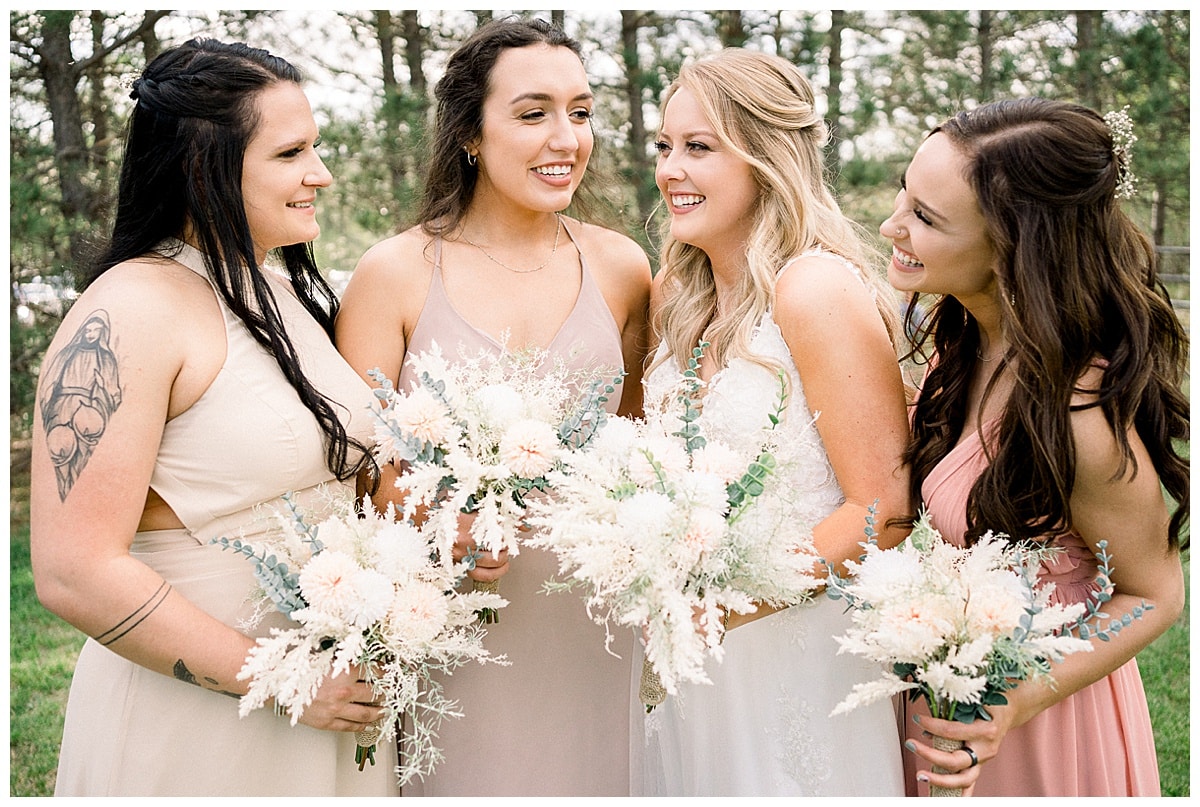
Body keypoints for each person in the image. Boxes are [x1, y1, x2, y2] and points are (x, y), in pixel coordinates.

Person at [29, 38, 399, 796]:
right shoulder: (131, 308)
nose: (320, 175)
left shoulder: (283, 296)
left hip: (329, 698)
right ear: (206, 165)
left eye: (316, 149)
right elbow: (73, 571)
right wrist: (288, 678)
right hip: (202, 720)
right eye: (292, 152)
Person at [334, 17, 652, 797]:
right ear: (470, 133)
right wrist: (438, 520)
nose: (566, 138)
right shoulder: (395, 273)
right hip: (455, 620)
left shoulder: (621, 267)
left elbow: (638, 442)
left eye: (580, 112)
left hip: (594, 621)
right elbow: (353, 468)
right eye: (533, 112)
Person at [881, 97, 1188, 797]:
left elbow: (1155, 594)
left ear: (1012, 246)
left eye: (926, 218)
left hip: (1042, 731)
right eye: (906, 191)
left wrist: (1014, 701)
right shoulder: (960, 345)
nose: (892, 222)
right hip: (946, 714)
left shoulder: (1077, 411)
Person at [630, 48, 910, 796]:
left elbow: (883, 509)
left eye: (698, 148)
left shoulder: (813, 288)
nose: (670, 170)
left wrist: (726, 606)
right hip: (689, 656)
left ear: (765, 157)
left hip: (799, 654)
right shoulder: (675, 295)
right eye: (664, 147)